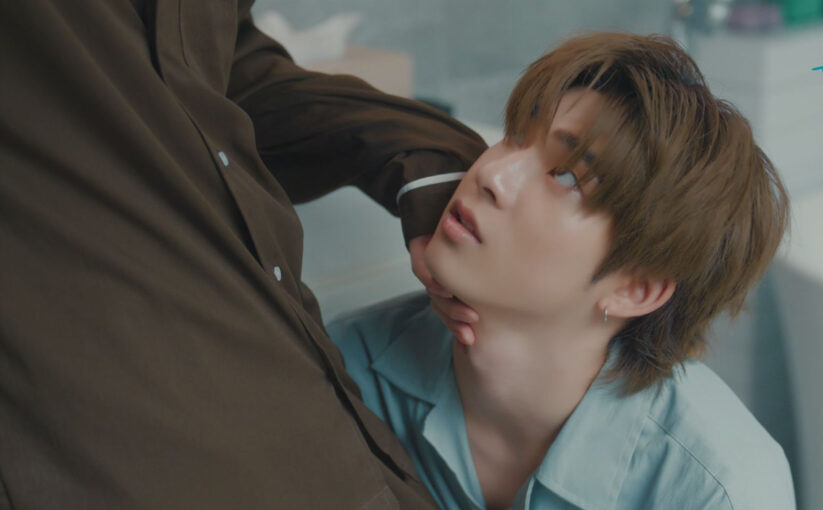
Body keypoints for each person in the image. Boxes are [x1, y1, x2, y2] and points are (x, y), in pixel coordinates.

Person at [0, 1, 486, 509]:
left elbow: (208, 65)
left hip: (280, 386)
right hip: (117, 381)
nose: (498, 176)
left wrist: (429, 159)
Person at [329, 32, 796, 510]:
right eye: (514, 137)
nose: (490, 174)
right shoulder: (347, 367)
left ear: (636, 289)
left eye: (567, 176)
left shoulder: (719, 491)